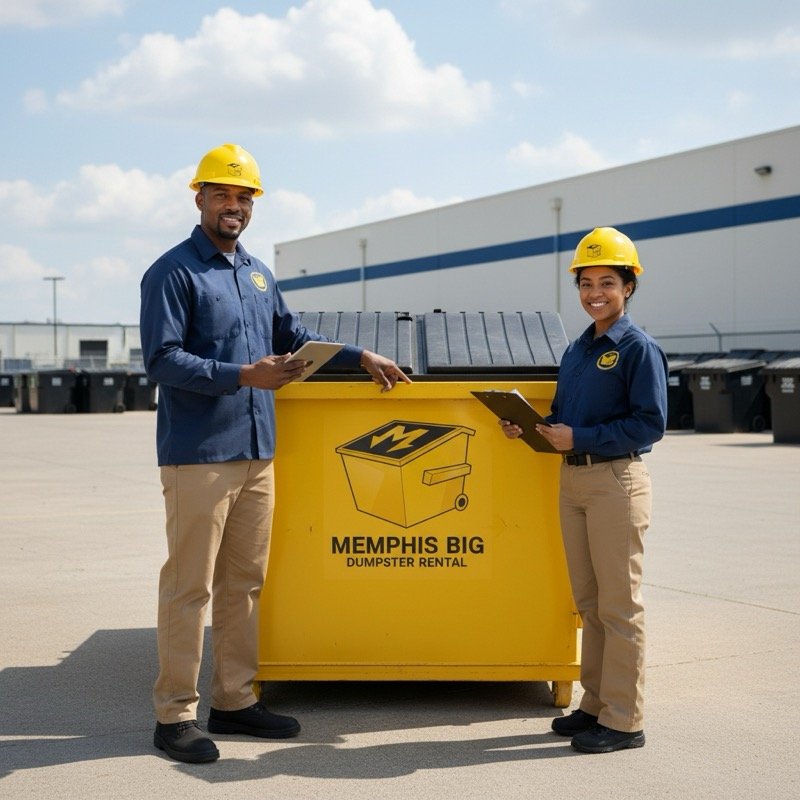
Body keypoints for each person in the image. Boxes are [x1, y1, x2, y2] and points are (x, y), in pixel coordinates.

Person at [139, 143, 411, 764]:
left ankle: (233, 701)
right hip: (200, 455)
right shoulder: (173, 272)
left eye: (244, 197)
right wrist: (243, 376)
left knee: (244, 584)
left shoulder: (257, 272)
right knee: (189, 588)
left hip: (258, 452)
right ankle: (174, 715)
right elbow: (161, 360)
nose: (233, 206)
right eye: (222, 195)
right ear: (199, 197)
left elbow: (291, 338)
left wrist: (357, 355)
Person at [500, 226, 667, 754]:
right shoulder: (579, 348)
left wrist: (582, 436)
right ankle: (594, 705)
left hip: (615, 480)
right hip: (572, 477)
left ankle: (623, 720)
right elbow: (567, 415)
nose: (595, 293)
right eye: (586, 283)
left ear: (629, 286)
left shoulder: (638, 348)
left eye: (607, 283)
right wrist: (532, 426)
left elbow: (650, 424)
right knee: (590, 604)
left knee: (620, 606)